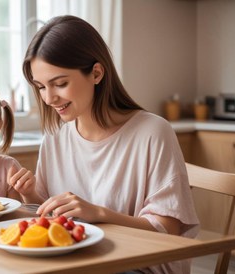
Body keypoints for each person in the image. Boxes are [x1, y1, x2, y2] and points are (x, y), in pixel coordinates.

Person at [21, 15, 199, 273]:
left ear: (96, 73)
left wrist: (99, 214)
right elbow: (51, 218)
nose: (49, 98)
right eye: (40, 87)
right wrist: (29, 195)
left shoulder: (152, 132)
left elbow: (168, 229)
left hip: (138, 267)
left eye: (60, 83)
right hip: (79, 264)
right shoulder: (55, 138)